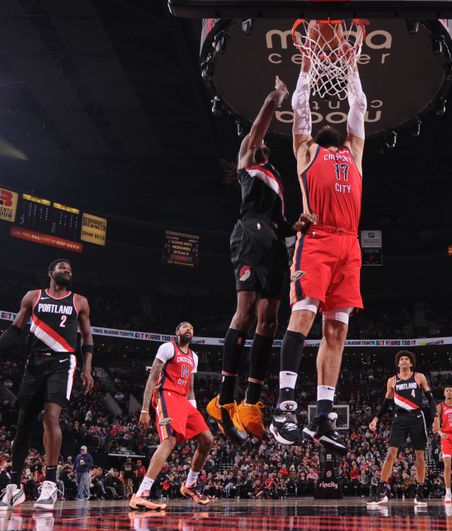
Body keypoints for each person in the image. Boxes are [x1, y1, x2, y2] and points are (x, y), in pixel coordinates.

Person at [269, 22, 368, 455]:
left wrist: (351, 64)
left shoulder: (354, 152)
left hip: (349, 245)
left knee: (337, 332)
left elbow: (358, 105)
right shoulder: (307, 151)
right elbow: (301, 105)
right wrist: (307, 64)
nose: (331, 123)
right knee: (303, 319)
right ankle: (284, 406)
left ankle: (323, 414)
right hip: (319, 240)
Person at [207, 76, 315, 443]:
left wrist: (297, 224)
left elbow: (284, 226)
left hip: (272, 242)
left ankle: (250, 403)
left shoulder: (277, 181)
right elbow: (257, 127)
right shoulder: (249, 160)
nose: (263, 142)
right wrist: (276, 97)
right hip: (249, 235)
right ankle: (223, 399)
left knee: (269, 321)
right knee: (247, 312)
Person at [0, 258, 94, 511]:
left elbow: (87, 337)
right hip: (34, 364)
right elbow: (15, 329)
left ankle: (50, 484)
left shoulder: (79, 301)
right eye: (63, 268)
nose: (68, 272)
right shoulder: (33, 297)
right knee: (23, 424)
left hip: (63, 362)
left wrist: (87, 368)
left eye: (71, 270)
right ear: (51, 273)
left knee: (51, 417)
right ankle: (14, 485)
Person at [131, 322, 214, 510]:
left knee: (207, 439)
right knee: (169, 441)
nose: (189, 329)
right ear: (177, 332)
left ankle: (190, 485)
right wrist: (145, 409)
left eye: (192, 328)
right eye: (185, 327)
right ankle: (141, 493)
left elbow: (190, 387)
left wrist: (193, 411)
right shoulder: (168, 347)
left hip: (184, 401)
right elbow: (152, 377)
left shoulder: (194, 356)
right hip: (165, 395)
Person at [367, 351, 435, 506]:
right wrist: (376, 418)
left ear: (411, 363)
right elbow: (385, 404)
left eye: (407, 359)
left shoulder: (419, 377)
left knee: (419, 455)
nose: (404, 360)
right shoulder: (392, 380)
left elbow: (430, 399)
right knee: (391, 453)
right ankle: (381, 491)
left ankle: (419, 492)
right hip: (399, 418)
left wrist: (435, 417)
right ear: (398, 364)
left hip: (417, 417)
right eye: (401, 359)